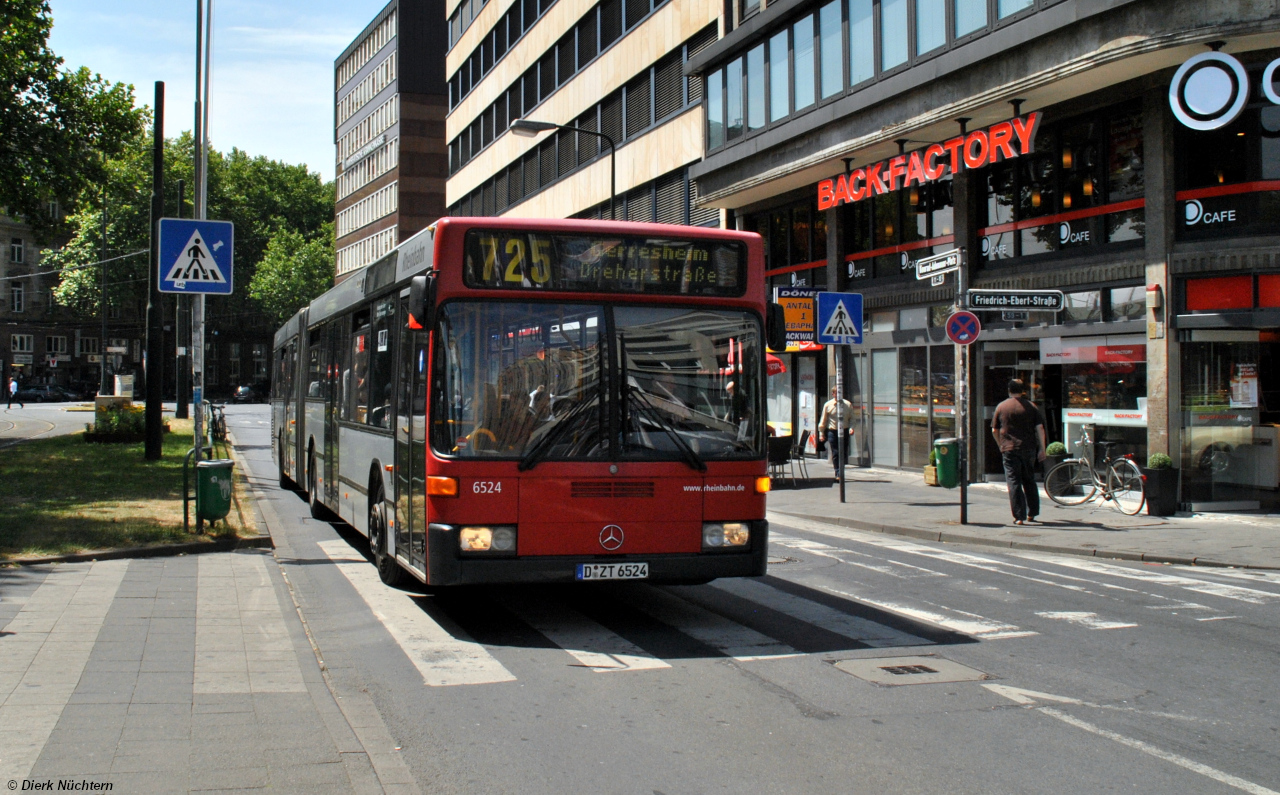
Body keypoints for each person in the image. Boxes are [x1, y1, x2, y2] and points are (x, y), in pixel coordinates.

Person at [991, 378, 1047, 526]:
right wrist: (1042, 448)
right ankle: (1032, 513)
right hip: (1028, 448)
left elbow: (994, 430)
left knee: (1014, 482)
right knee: (1029, 480)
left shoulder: (1002, 407)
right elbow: (1040, 428)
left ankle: (1019, 516)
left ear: (1009, 390)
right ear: (1023, 391)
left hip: (1009, 449)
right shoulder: (1031, 406)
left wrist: (1000, 445)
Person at [818, 386, 854, 479]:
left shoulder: (847, 404)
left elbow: (852, 418)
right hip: (832, 431)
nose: (839, 395)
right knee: (836, 452)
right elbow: (824, 420)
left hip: (844, 430)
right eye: (836, 393)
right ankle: (838, 473)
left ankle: (841, 471)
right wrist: (821, 433)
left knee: (843, 452)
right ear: (833, 394)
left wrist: (851, 428)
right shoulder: (828, 405)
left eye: (840, 393)